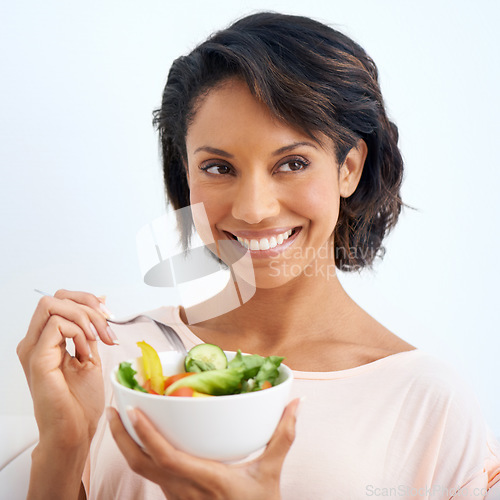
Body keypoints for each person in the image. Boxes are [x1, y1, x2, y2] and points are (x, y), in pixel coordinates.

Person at [17, 12, 500, 500]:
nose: (252, 209)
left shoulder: (426, 402)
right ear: (186, 175)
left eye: (292, 163)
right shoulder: (119, 364)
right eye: (218, 167)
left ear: (349, 168)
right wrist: (64, 445)